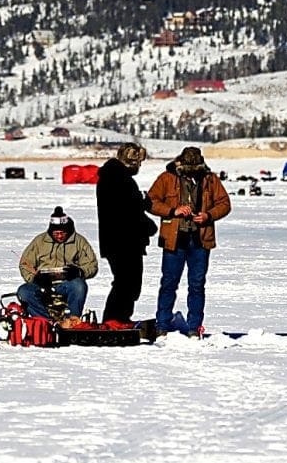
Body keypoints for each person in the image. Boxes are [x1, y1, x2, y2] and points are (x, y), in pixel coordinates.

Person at [147, 146, 232, 337]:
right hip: (173, 241)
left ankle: (195, 327)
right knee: (169, 283)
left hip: (201, 241)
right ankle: (162, 325)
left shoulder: (210, 179)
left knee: (197, 285)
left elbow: (225, 203)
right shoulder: (166, 178)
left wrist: (208, 216)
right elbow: (150, 202)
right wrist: (173, 211)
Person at [96, 143, 157, 324]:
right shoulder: (119, 178)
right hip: (123, 241)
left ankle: (120, 318)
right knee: (126, 283)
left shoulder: (114, 176)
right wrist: (148, 225)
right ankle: (114, 319)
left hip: (119, 240)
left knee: (127, 283)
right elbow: (127, 211)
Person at [17, 206, 99, 327]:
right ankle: (47, 323)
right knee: (24, 291)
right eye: (56, 233)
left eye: (62, 233)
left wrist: (79, 272)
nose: (60, 236)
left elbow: (92, 265)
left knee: (79, 286)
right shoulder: (39, 241)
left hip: (67, 284)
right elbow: (24, 264)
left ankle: (71, 321)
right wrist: (34, 278)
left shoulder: (79, 241)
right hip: (43, 285)